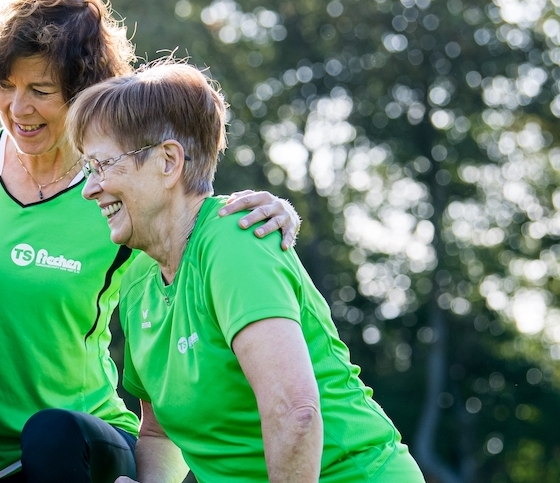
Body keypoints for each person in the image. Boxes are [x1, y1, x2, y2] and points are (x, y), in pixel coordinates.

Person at [0, 0, 301, 480]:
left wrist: (274, 210)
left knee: (51, 435)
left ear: (82, 93)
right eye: (6, 86)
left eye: (41, 89)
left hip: (79, 440)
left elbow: (188, 226)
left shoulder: (117, 191)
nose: (19, 108)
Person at [72, 59, 425, 483]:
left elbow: (295, 412)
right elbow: (159, 432)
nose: (90, 188)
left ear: (168, 162)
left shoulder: (235, 240)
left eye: (104, 165)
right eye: (88, 169)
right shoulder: (138, 281)